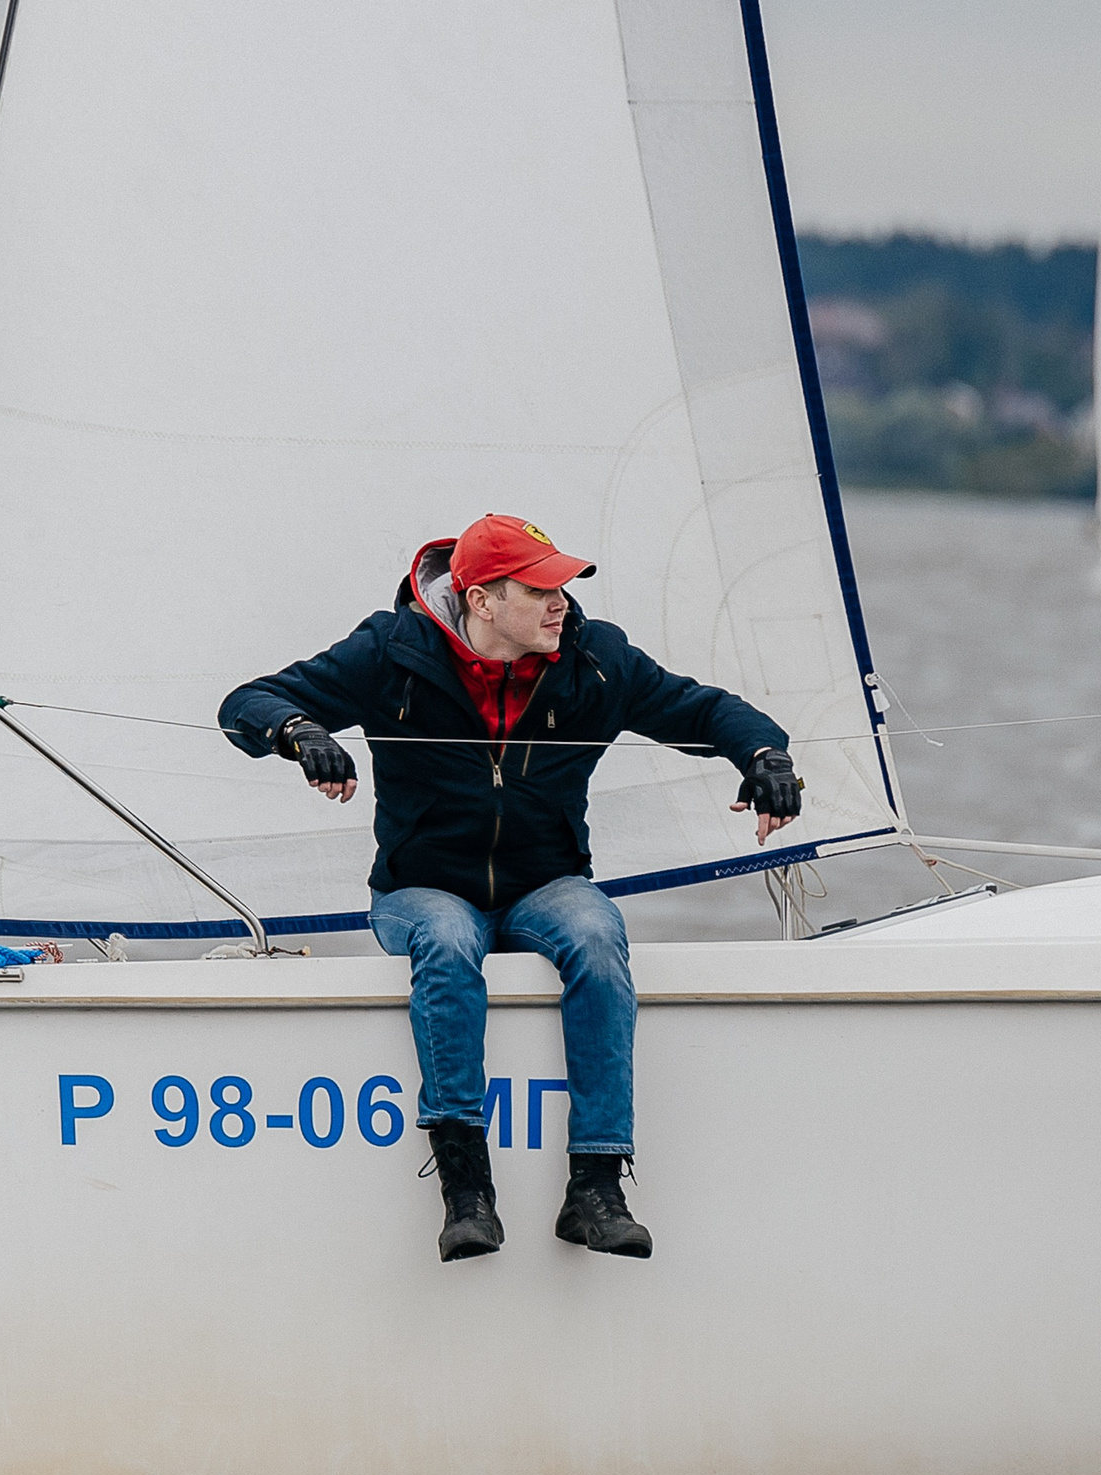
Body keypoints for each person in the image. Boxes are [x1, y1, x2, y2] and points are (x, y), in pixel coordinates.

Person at [219, 515, 802, 1262]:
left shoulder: (597, 661)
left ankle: (595, 1187)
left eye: (563, 587)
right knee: (449, 939)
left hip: (545, 885)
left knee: (597, 935)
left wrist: (765, 756)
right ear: (482, 600)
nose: (561, 604)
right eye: (541, 589)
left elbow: (707, 710)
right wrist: (303, 732)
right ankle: (467, 1192)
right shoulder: (389, 651)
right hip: (420, 888)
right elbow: (246, 701)